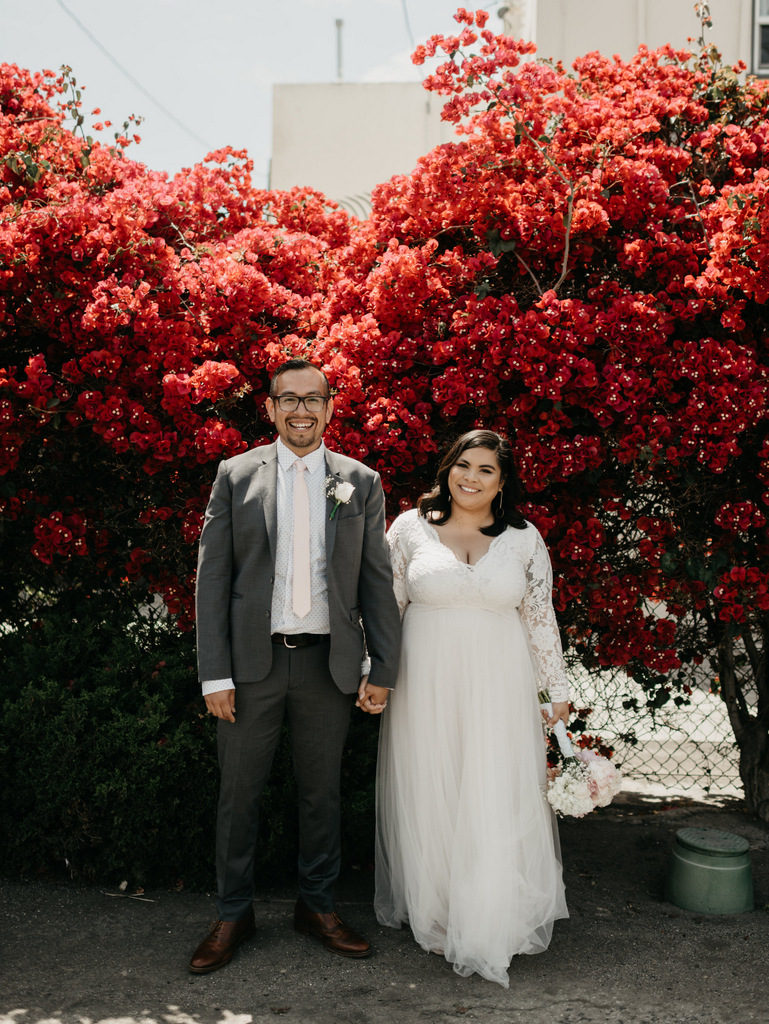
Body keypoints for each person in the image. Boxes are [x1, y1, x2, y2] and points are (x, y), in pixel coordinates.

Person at [190, 357, 401, 974]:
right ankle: (233, 913)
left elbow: (376, 581)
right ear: (272, 407)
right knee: (239, 796)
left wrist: (383, 666)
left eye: (314, 399)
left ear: (331, 406)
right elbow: (213, 579)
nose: (302, 410)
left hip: (326, 667)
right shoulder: (236, 475)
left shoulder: (360, 481)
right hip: (251, 668)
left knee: (321, 796)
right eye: (290, 399)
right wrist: (215, 673)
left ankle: (317, 906)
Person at [372, 429, 570, 988]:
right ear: (447, 468)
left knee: (493, 787)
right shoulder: (410, 529)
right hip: (424, 681)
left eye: (486, 470)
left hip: (500, 682)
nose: (471, 478)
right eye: (463, 465)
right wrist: (376, 674)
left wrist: (556, 688)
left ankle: (492, 911)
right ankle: (438, 910)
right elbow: (385, 608)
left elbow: (539, 616)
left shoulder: (525, 538)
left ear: (502, 482)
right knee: (432, 786)